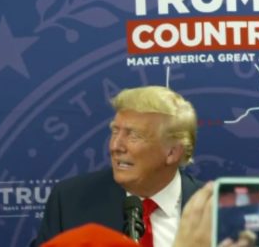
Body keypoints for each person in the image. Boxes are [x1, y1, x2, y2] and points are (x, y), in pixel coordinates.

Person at [34, 86, 203, 247]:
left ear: (172, 152)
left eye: (134, 135)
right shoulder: (70, 201)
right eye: (115, 131)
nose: (115, 146)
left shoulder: (213, 209)